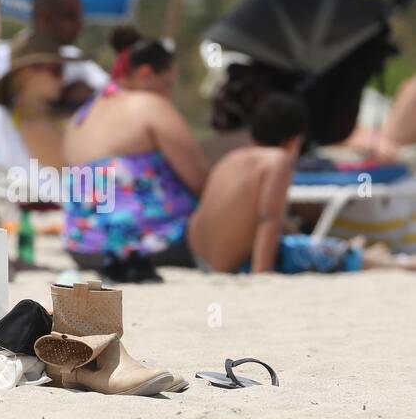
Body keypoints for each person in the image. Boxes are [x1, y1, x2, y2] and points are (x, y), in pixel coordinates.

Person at [188, 94, 416, 273]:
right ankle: (390, 263)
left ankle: (360, 250)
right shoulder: (277, 160)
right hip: (237, 266)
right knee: (332, 255)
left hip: (202, 260)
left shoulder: (232, 158)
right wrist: (261, 274)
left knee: (300, 241)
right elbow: (269, 219)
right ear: (294, 140)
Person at [62, 26, 209, 271]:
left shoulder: (79, 118)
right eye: (168, 84)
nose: (169, 95)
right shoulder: (150, 105)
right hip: (150, 247)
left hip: (83, 249)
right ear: (146, 74)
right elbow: (201, 182)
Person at [0, 31, 71, 203]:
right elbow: (67, 163)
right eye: (56, 70)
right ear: (26, 73)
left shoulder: (30, 116)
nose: (62, 78)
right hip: (51, 211)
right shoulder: (29, 120)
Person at [0, 0, 108, 114]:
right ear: (45, 17)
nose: (80, 24)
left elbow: (108, 91)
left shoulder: (79, 64)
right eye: (70, 16)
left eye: (57, 70)